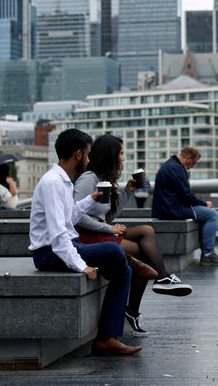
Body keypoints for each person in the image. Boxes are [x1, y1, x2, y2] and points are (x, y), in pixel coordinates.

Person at [29, 128, 140, 356]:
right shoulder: (53, 183)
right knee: (113, 250)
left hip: (62, 247)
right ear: (78, 154)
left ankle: (107, 337)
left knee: (123, 268)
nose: (89, 160)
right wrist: (81, 266)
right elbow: (59, 235)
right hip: (49, 253)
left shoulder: (64, 181)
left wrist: (90, 200)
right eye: (88, 154)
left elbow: (69, 217)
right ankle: (107, 337)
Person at [74, 135, 193, 338]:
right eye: (120, 153)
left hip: (99, 231)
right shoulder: (88, 179)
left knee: (147, 231)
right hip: (86, 238)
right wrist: (108, 230)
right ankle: (136, 307)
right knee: (141, 254)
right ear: (109, 155)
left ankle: (161, 278)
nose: (123, 158)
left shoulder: (104, 180)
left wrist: (128, 192)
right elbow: (74, 216)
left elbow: (107, 215)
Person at [152, 147, 218, 267]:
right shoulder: (176, 168)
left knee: (206, 213)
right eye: (193, 162)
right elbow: (186, 195)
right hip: (173, 209)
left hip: (168, 207)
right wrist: (204, 203)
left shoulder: (170, 165)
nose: (193, 166)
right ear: (188, 158)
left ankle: (207, 252)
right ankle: (208, 254)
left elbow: (183, 194)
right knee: (212, 214)